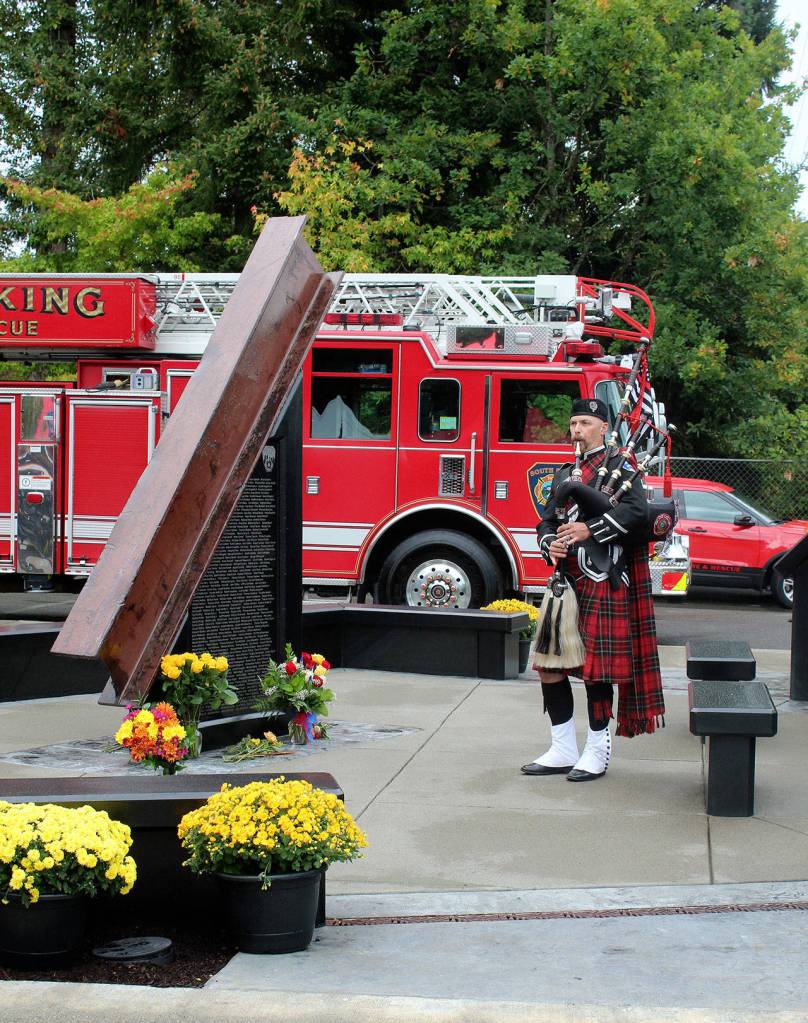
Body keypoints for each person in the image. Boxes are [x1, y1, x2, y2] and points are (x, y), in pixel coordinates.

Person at [522, 397, 665, 782]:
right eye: (573, 424)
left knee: (595, 672)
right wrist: (548, 542)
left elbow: (637, 514)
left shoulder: (623, 468)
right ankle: (562, 748)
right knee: (549, 666)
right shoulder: (563, 473)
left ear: (603, 427)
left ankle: (597, 751)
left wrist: (589, 529)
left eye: (585, 423)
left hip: (604, 578)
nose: (577, 430)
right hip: (565, 582)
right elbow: (545, 521)